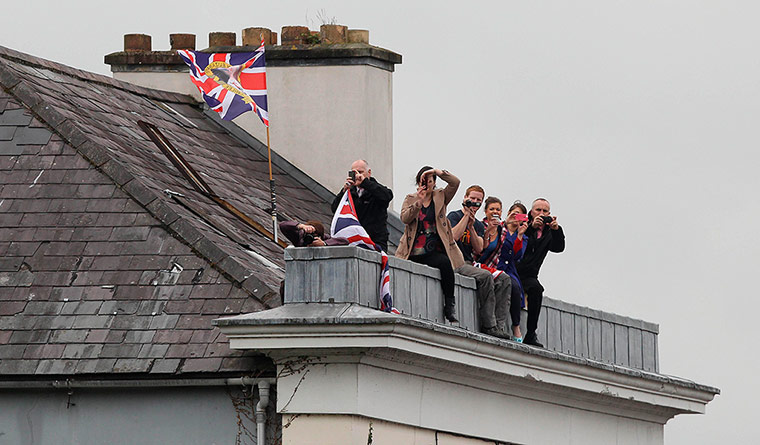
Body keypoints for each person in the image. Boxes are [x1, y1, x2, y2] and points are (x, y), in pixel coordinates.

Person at [396, 166, 463, 323]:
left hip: (434, 248)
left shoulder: (440, 196)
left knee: (445, 264)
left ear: (434, 183)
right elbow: (404, 218)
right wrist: (418, 202)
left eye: (430, 181)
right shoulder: (411, 198)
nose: (426, 184)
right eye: (423, 181)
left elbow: (455, 183)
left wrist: (437, 171)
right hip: (413, 250)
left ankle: (450, 305)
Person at [447, 186, 512, 338]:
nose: (474, 202)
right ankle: (488, 324)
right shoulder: (454, 216)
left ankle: (499, 326)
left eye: (478, 200)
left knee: (504, 279)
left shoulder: (476, 224)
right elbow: (453, 237)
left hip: (470, 262)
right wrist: (465, 217)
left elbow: (479, 248)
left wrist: (472, 226)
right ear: (465, 198)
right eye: (472, 199)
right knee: (485, 276)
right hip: (456, 262)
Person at [516, 198, 565, 347]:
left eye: (545, 211)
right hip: (514, 269)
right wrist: (531, 227)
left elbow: (559, 248)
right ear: (531, 212)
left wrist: (557, 230)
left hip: (530, 275)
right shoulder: (523, 222)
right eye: (538, 210)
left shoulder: (550, 231)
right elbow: (519, 240)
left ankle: (531, 333)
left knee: (537, 289)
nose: (541, 214)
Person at [478, 200, 527, 342]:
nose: (516, 217)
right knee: (503, 281)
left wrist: (519, 235)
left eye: (519, 215)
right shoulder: (498, 227)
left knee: (516, 288)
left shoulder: (520, 235)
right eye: (514, 214)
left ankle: (514, 326)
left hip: (508, 268)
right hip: (493, 265)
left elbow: (517, 256)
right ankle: (495, 325)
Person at [331, 159, 393, 252]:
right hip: (355, 240)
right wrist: (344, 191)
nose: (357, 175)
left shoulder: (376, 189)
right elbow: (335, 209)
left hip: (374, 240)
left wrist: (364, 183)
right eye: (354, 173)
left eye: (360, 172)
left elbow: (387, 196)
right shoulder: (350, 192)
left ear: (369, 173)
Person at [279, 220, 348, 247]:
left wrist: (324, 244)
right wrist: (301, 226)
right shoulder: (300, 237)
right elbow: (283, 225)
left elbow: (344, 241)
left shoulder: (324, 238)